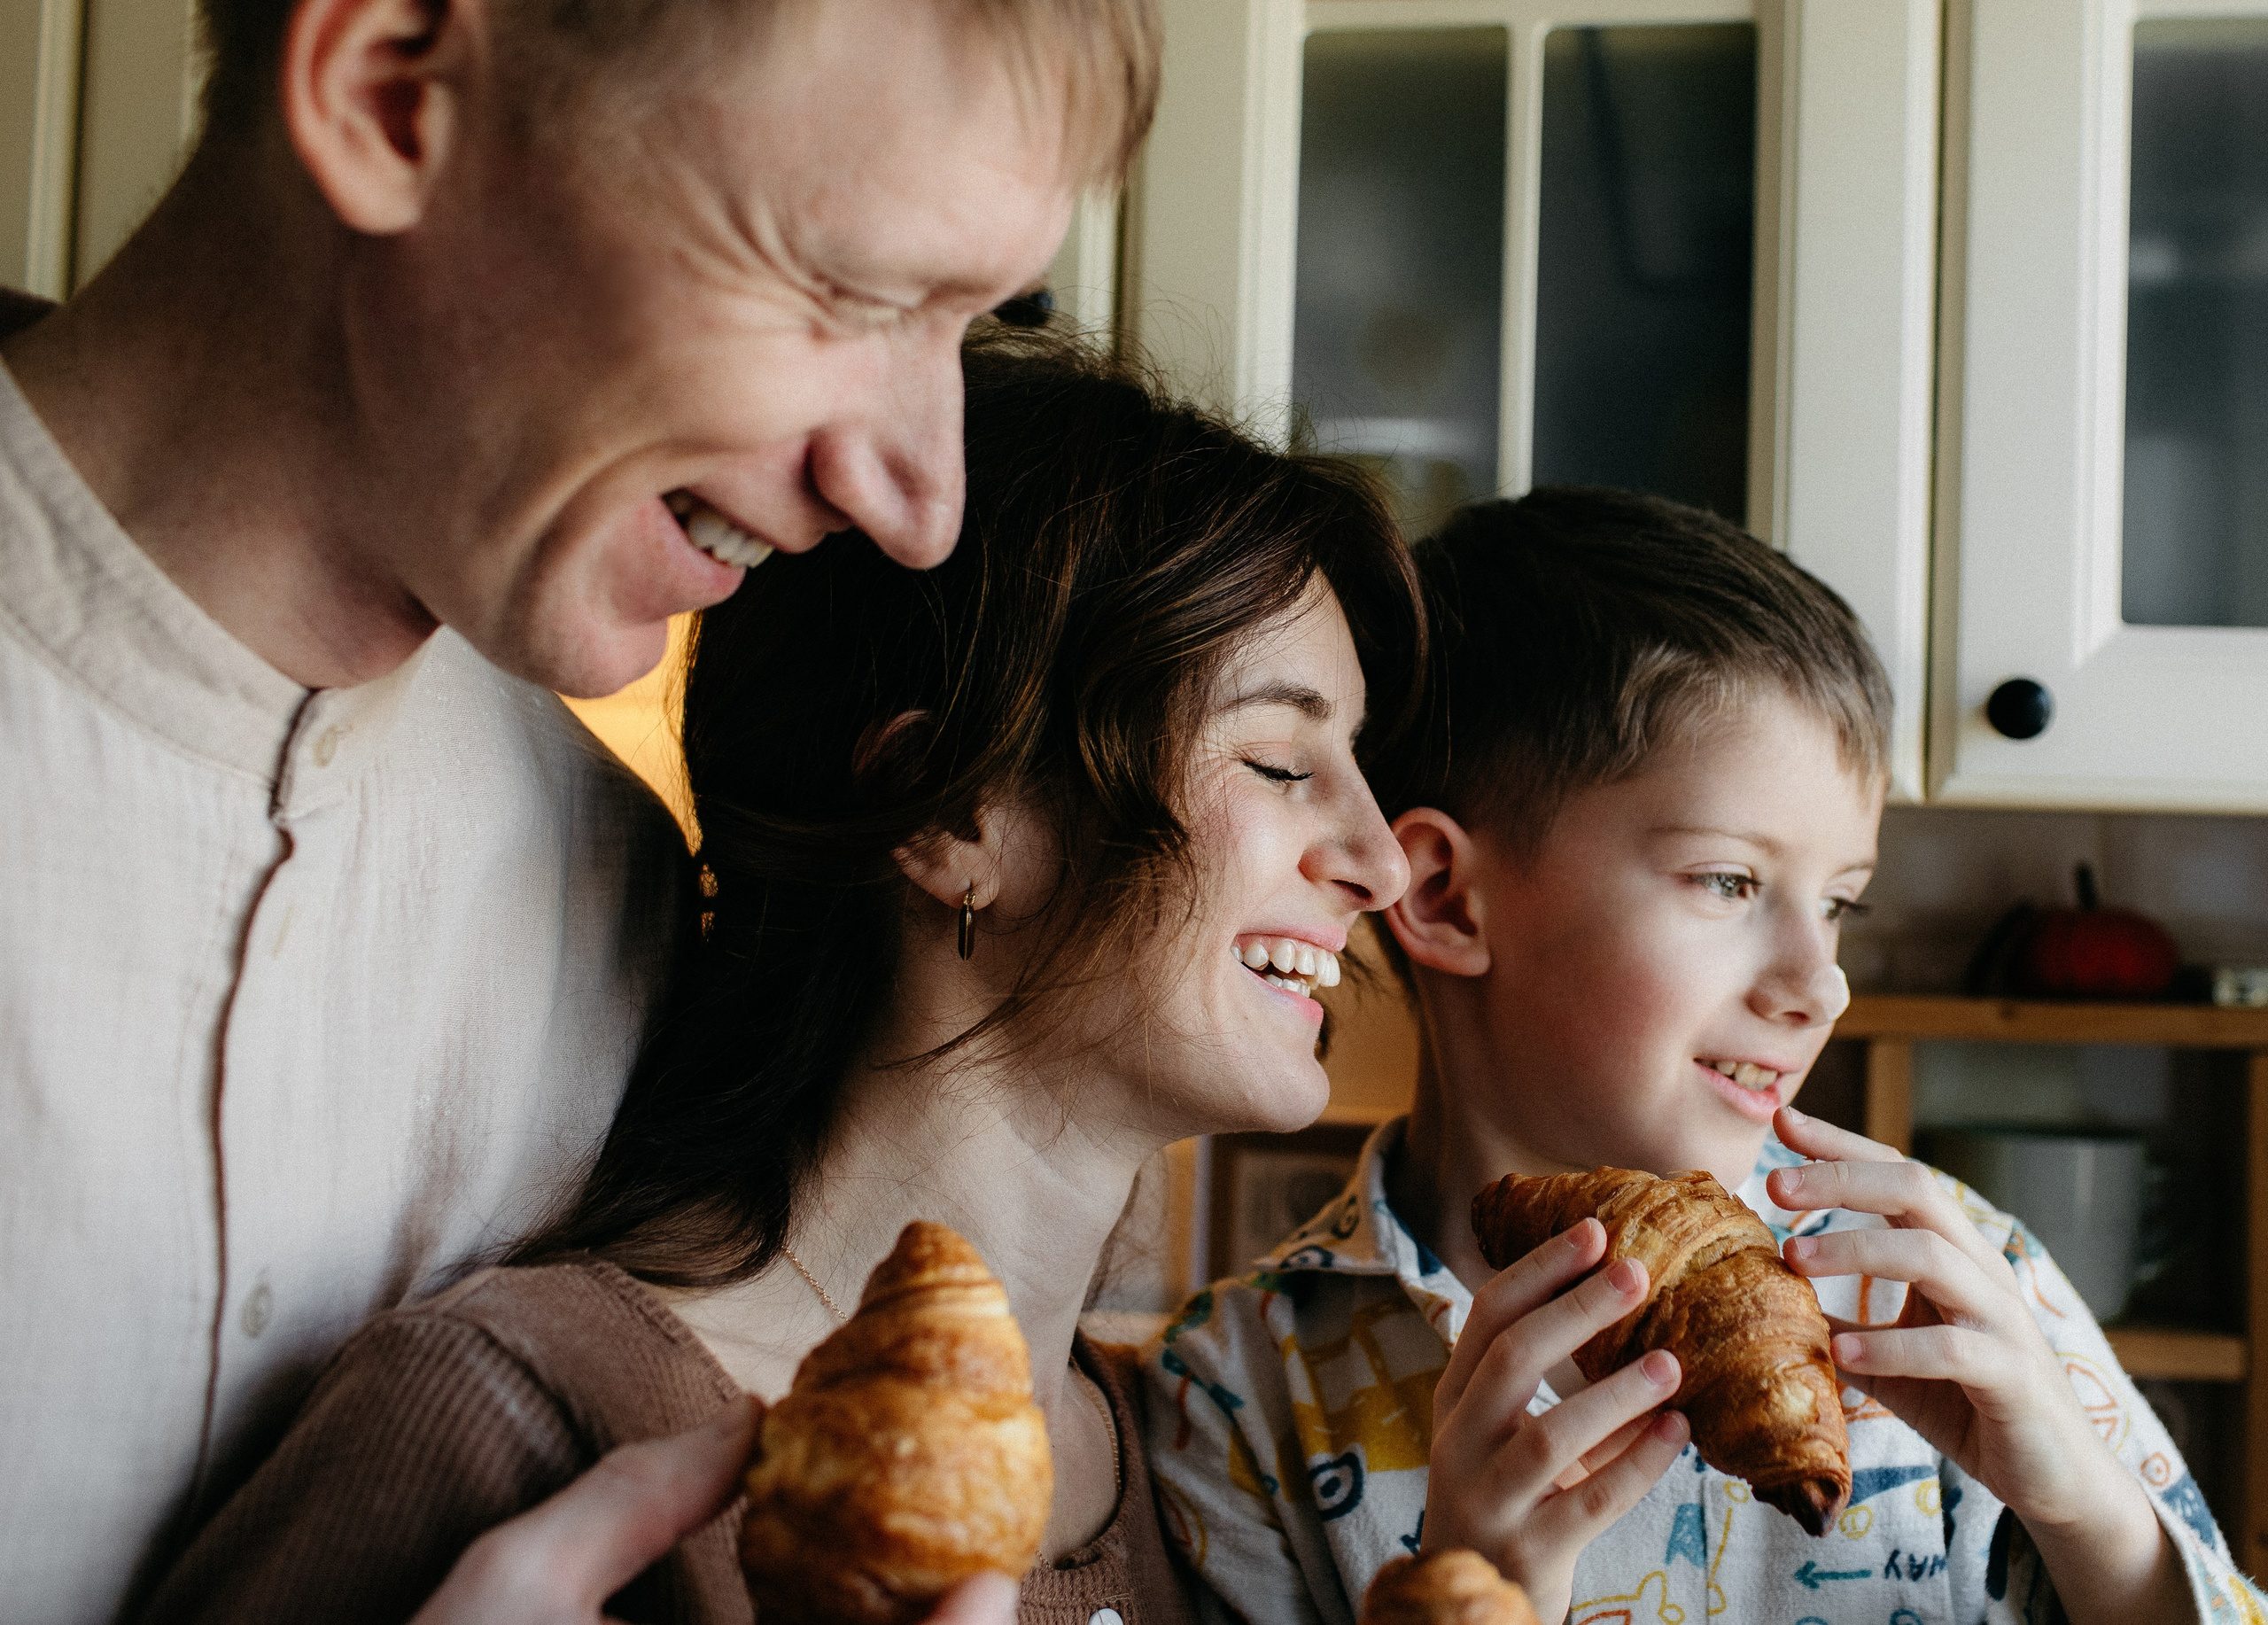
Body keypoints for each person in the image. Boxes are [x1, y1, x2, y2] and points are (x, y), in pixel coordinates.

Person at [0, 2, 1161, 1620]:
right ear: (390, 94)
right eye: (854, 294)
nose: (923, 497)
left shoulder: (616, 894)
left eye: (966, 326)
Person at [133, 329, 1422, 1625]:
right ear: (958, 816)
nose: (1380, 860)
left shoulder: (1196, 1478)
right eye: (1279, 761)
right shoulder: (516, 1418)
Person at [1141, 487, 2263, 1625]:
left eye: (1838, 906)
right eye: (1729, 883)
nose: (1815, 981)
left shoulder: (1951, 1287)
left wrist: (2088, 1512)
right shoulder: (1239, 1394)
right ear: (1445, 896)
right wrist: (1469, 1596)